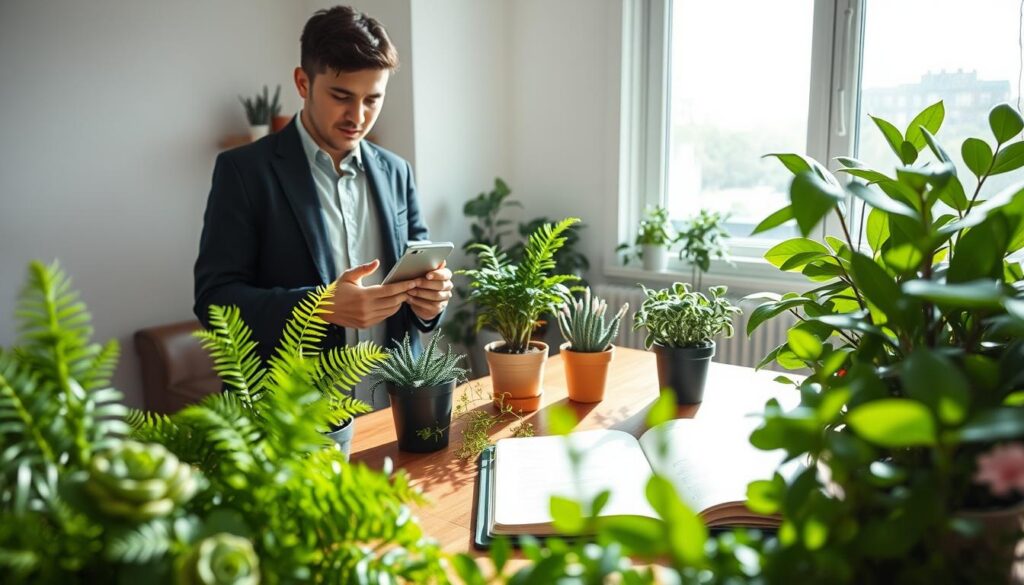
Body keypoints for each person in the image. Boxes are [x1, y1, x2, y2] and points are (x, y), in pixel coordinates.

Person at [194, 5, 451, 407]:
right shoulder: (243, 171)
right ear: (302, 82)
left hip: (397, 413)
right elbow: (214, 302)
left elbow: (418, 289)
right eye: (341, 96)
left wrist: (431, 300)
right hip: (293, 422)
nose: (358, 116)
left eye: (373, 99)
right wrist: (317, 307)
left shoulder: (397, 172)